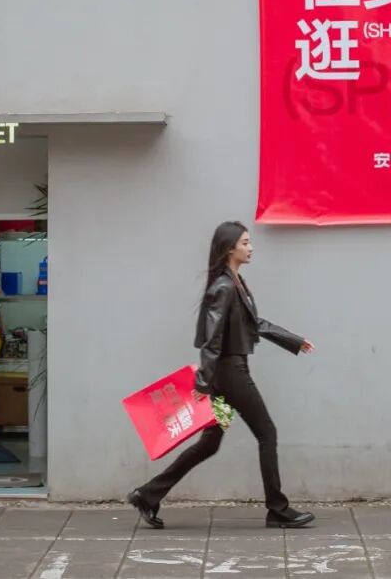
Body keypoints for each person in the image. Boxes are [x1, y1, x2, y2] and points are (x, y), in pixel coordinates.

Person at [127, 221, 316, 529]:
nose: (251, 247)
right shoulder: (225, 287)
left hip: (226, 374)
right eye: (245, 243)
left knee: (210, 443)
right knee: (267, 433)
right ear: (230, 249)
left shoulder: (234, 283)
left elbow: (254, 323)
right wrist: (203, 383)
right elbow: (212, 339)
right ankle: (278, 509)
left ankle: (147, 495)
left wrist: (293, 340)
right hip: (230, 374)